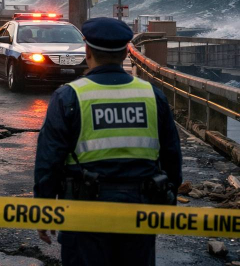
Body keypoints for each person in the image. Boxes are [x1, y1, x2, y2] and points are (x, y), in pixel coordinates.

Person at [34, 17, 182, 266]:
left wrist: (44, 210)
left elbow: (49, 160)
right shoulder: (152, 95)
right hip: (140, 209)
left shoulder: (69, 96)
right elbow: (171, 155)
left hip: (84, 212)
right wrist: (168, 199)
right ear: (126, 52)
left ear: (87, 51)